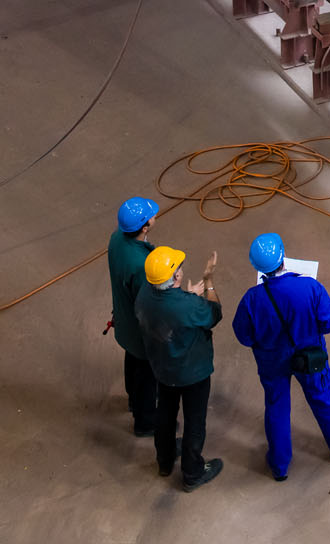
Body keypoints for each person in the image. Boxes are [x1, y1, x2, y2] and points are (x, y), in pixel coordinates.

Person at [230, 232, 330, 481]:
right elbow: (328, 323)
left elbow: (244, 337)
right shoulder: (310, 287)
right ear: (283, 258)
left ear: (257, 267)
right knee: (323, 400)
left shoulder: (251, 300)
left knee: (276, 407)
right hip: (309, 357)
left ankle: (279, 465)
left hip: (272, 361)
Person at [136, 246, 224, 490]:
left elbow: (168, 310)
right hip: (192, 372)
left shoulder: (144, 293)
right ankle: (192, 472)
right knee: (195, 420)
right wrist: (208, 282)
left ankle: (164, 461)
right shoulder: (188, 306)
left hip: (162, 367)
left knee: (165, 412)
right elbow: (214, 314)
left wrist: (186, 297)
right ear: (176, 276)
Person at [106, 197, 159, 437]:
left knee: (133, 361)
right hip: (140, 331)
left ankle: (132, 400)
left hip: (124, 319)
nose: (155, 216)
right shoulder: (142, 265)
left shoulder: (116, 239)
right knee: (146, 374)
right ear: (144, 227)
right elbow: (148, 304)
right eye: (151, 216)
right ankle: (145, 422)